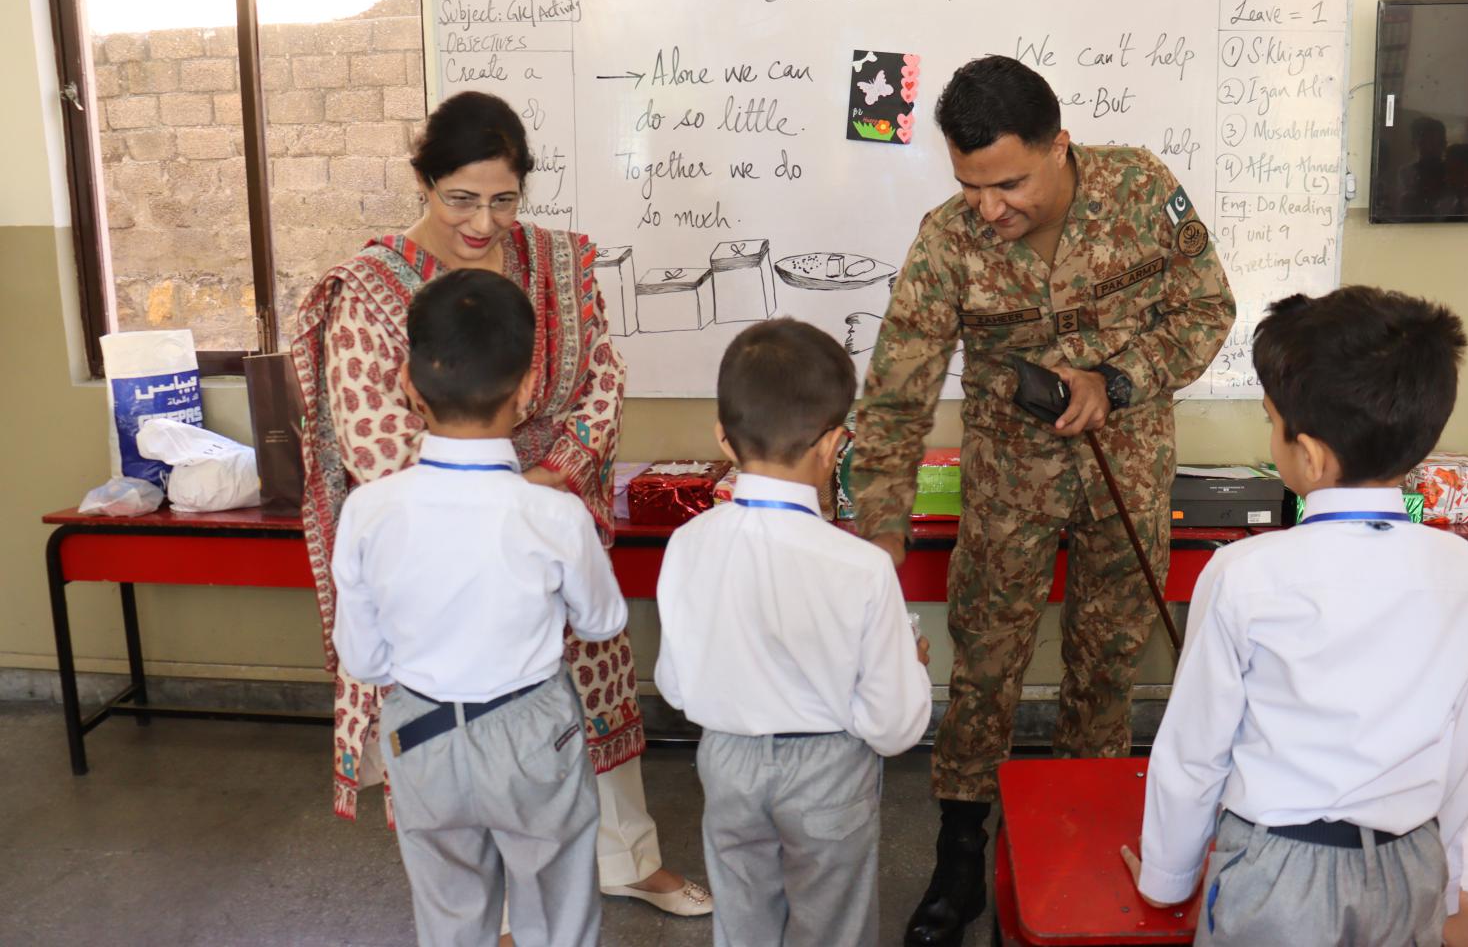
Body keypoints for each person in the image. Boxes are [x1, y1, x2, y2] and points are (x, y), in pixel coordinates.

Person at [291, 90, 710, 922]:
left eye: (504, 200)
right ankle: (513, 915)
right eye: (461, 199)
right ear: (423, 182)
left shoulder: (555, 261)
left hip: (550, 510)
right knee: (478, 747)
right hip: (444, 549)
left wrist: (551, 479)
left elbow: (602, 380)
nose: (483, 223)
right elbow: (372, 435)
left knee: (589, 695)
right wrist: (499, 498)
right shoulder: (370, 288)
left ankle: (627, 858)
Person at [849, 55, 1235, 946]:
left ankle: (1080, 838)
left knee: (1107, 665)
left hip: (1126, 472)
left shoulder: (1141, 189)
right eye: (971, 186)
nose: (989, 208)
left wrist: (1117, 380)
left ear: (1059, 146)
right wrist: (881, 525)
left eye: (1009, 184)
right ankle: (958, 855)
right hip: (1007, 485)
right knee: (985, 663)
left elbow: (1207, 310)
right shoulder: (947, 239)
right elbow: (900, 386)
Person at [1122, 286, 1468, 947]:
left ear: (1311, 454)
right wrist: (1444, 893)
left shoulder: (1243, 572)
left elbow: (1194, 751)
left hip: (1276, 874)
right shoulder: (1466, 571)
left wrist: (1166, 878)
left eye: (1271, 421)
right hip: (1410, 865)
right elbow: (1463, 753)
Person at [332, 269, 625, 946]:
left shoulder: (368, 511)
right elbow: (603, 621)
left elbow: (364, 660)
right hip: (531, 731)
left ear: (408, 383)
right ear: (527, 389)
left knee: (449, 915)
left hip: (420, 733)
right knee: (557, 914)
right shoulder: (553, 514)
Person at [655, 318, 933, 946]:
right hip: (827, 770)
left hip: (727, 763)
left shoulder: (687, 543)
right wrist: (910, 668)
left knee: (742, 920)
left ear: (723, 438)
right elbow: (893, 727)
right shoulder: (862, 566)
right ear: (834, 444)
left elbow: (675, 686)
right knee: (833, 926)